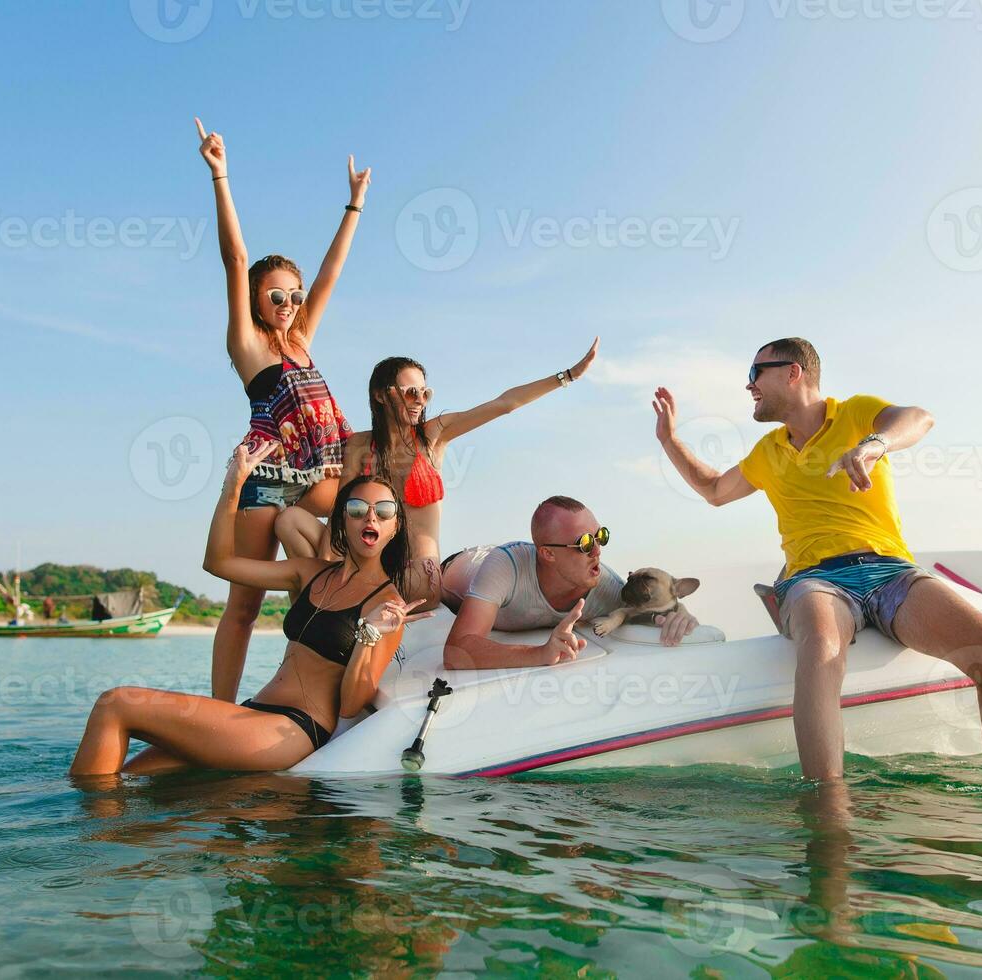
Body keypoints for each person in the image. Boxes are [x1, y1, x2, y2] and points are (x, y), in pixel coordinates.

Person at [652, 337, 982, 788]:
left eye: (755, 373)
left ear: (793, 372)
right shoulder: (768, 452)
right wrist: (669, 439)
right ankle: (830, 824)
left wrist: (873, 446)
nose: (748, 386)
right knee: (821, 649)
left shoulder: (856, 413)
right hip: (815, 579)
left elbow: (920, 418)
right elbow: (714, 490)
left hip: (890, 571)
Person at [73, 443, 431, 777]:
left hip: (291, 729)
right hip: (251, 711)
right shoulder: (309, 573)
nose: (371, 517)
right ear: (342, 521)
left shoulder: (387, 606)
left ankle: (84, 842)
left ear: (394, 526)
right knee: (129, 776)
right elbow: (219, 563)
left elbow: (351, 705)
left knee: (115, 704)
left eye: (383, 511)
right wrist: (233, 487)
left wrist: (368, 635)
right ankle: (98, 832)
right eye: (357, 509)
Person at [196, 117, 370, 705]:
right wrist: (221, 175)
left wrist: (353, 207)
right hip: (266, 478)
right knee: (242, 605)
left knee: (355, 528)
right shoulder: (247, 347)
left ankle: (325, 673)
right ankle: (222, 711)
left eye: (294, 296)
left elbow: (331, 276)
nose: (290, 304)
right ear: (256, 300)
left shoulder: (303, 340)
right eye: (277, 296)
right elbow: (234, 256)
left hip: (316, 476)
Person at [275, 341, 600, 608]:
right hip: (363, 561)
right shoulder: (360, 445)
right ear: (380, 395)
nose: (419, 401)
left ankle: (330, 598)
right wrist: (328, 568)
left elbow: (505, 404)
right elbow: (338, 515)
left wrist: (567, 376)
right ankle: (317, 604)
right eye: (409, 392)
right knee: (289, 520)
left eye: (424, 393)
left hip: (416, 572)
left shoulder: (434, 435)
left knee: (401, 580)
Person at [440, 495, 701, 670]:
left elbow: (646, 608)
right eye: (584, 543)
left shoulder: (605, 588)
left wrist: (682, 614)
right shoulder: (505, 566)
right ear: (548, 554)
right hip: (457, 569)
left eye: (601, 536)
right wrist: (538, 654)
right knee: (426, 583)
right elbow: (455, 652)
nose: (597, 550)